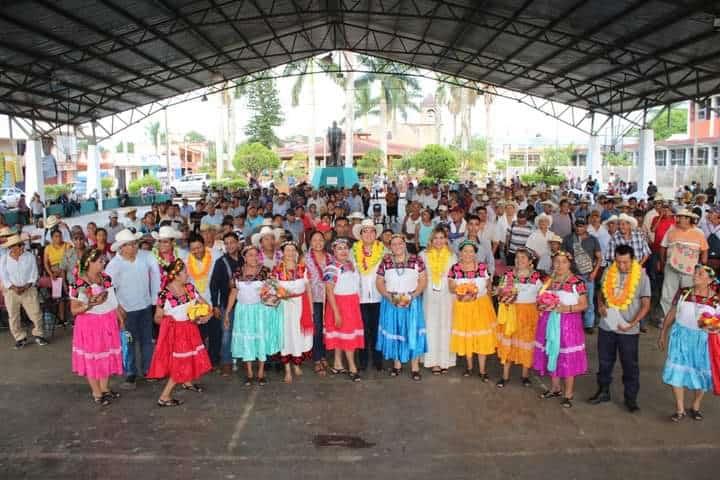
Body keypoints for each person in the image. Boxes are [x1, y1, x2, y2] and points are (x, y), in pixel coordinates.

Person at [591, 244, 650, 413]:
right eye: (618, 262)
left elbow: (646, 304)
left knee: (630, 364)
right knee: (604, 361)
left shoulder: (641, 277)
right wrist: (601, 305)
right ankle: (603, 391)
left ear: (633, 260)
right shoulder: (610, 272)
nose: (622, 266)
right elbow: (600, 293)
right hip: (607, 326)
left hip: (628, 329)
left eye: (625, 262)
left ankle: (630, 398)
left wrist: (634, 323)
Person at [147, 259, 213, 407]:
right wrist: (169, 321)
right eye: (184, 271)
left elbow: (205, 305)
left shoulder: (190, 288)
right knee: (180, 362)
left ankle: (187, 381)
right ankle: (164, 396)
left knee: (188, 357)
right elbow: (157, 318)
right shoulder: (165, 294)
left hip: (190, 329)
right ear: (175, 275)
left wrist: (204, 316)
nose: (187, 274)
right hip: (176, 333)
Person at [658, 264, 718, 422]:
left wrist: (713, 327)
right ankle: (680, 409)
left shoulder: (716, 298)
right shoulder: (684, 292)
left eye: (701, 273)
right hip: (680, 337)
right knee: (676, 372)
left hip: (703, 341)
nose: (695, 275)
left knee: (702, 374)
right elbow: (672, 313)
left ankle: (696, 406)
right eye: (696, 272)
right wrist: (663, 333)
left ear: (710, 279)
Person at [105, 229, 161, 389]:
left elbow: (156, 276)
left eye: (135, 243)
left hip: (144, 306)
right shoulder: (114, 265)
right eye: (130, 244)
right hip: (126, 310)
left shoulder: (145, 256)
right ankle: (130, 373)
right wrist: (117, 307)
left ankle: (149, 369)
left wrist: (156, 302)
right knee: (128, 342)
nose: (134, 247)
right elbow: (108, 289)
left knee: (146, 341)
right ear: (121, 248)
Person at [533, 251, 588, 409]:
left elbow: (584, 305)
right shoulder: (549, 281)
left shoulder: (577, 282)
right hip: (549, 321)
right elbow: (539, 301)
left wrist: (566, 308)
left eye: (563, 262)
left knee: (567, 357)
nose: (559, 265)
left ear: (569, 263)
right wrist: (542, 305)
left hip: (568, 325)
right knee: (552, 352)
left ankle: (568, 393)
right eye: (556, 262)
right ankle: (555, 388)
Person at [69, 248, 124, 406]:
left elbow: (113, 301)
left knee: (106, 354)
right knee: (93, 358)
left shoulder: (105, 278)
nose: (103, 263)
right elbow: (74, 310)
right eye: (100, 261)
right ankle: (96, 392)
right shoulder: (79, 283)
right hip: (90, 324)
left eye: (104, 261)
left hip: (108, 321)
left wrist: (119, 317)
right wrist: (91, 304)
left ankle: (105, 388)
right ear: (89, 263)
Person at [225, 245, 281, 386]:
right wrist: (227, 313)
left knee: (260, 340)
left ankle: (261, 372)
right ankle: (249, 373)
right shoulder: (237, 273)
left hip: (260, 311)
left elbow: (274, 290)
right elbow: (234, 293)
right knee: (246, 341)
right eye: (250, 255)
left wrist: (273, 300)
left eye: (256, 255)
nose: (254, 258)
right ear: (244, 257)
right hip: (243, 312)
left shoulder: (265, 271)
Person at [376, 234, 428, 381]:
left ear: (405, 244)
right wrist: (388, 296)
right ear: (390, 246)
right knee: (395, 331)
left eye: (400, 243)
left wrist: (413, 296)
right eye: (394, 244)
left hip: (412, 302)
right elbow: (379, 282)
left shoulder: (416, 260)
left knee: (412, 332)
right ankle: (397, 364)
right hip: (391, 302)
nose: (397, 246)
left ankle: (415, 367)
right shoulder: (386, 260)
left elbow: (423, 280)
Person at [495, 247, 543, 387]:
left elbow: (542, 295)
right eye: (517, 257)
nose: (519, 260)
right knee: (508, 342)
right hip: (511, 313)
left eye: (523, 258)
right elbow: (500, 291)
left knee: (526, 343)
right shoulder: (508, 274)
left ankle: (525, 375)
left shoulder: (536, 277)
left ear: (530, 261)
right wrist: (502, 295)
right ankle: (504, 376)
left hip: (529, 315)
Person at [448, 240, 496, 380]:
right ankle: (469, 367)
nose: (468, 254)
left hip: (481, 306)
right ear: (460, 254)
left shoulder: (482, 267)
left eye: (471, 251)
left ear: (475, 254)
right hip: (463, 306)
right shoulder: (455, 268)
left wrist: (491, 305)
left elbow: (488, 287)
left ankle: (482, 370)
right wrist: (461, 293)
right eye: (465, 251)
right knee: (467, 336)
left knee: (482, 337)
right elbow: (451, 286)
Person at [323, 238, 364, 381]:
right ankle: (352, 367)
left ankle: (337, 364)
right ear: (333, 251)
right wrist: (336, 313)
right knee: (347, 337)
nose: (343, 251)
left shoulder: (352, 265)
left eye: (345, 248)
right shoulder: (331, 268)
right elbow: (329, 291)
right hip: (339, 304)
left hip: (352, 304)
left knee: (343, 335)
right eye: (339, 248)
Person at [273, 241, 313, 383]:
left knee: (297, 334)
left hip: (300, 306)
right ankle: (287, 369)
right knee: (285, 335)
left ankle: (296, 363)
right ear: (282, 252)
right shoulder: (277, 270)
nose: (290, 253)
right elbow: (273, 290)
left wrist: (311, 308)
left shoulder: (302, 268)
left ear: (296, 252)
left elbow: (308, 289)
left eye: (292, 250)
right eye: (287, 250)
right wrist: (279, 295)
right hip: (284, 307)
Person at [0, 234, 48, 348]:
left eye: (22, 245)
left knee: (36, 313)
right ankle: (19, 337)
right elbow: (4, 276)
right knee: (13, 316)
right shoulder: (4, 259)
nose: (22, 247)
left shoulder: (29, 256)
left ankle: (39, 335)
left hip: (29, 289)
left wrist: (26, 286)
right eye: (19, 245)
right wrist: (13, 287)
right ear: (11, 247)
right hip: (11, 291)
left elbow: (34, 274)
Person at [659, 209, 708, 319]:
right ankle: (667, 318)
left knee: (688, 294)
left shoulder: (699, 232)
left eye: (681, 217)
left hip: (690, 270)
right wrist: (662, 263)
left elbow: (704, 250)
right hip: (671, 267)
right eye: (678, 216)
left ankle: (685, 318)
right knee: (668, 294)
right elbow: (663, 246)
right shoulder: (671, 230)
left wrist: (703, 265)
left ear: (688, 219)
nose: (678, 219)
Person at [420, 228, 456, 374]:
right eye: (436, 238)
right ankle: (432, 361)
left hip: (447, 295)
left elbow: (455, 278)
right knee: (431, 326)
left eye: (442, 238)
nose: (439, 241)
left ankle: (444, 360)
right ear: (431, 240)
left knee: (446, 326)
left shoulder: (452, 256)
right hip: (429, 295)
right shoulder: (423, 255)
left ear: (446, 239)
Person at [351, 219, 385, 372]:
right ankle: (363, 361)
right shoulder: (353, 252)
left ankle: (378, 360)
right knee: (363, 330)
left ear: (376, 234)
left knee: (378, 329)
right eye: (365, 231)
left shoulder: (385, 251)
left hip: (380, 296)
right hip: (361, 297)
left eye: (372, 231)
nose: (369, 234)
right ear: (360, 235)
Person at [185, 234, 222, 368]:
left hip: (214, 300)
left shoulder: (216, 256)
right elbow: (186, 283)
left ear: (204, 245)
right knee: (198, 334)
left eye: (199, 247)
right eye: (193, 249)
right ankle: (200, 361)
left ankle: (213, 360)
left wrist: (216, 305)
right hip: (197, 303)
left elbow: (219, 280)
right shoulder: (185, 260)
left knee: (215, 333)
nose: (197, 251)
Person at [209, 232, 243, 376]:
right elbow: (213, 285)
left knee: (242, 332)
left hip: (244, 303)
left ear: (238, 243)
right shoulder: (221, 262)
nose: (229, 246)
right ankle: (226, 362)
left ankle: (243, 359)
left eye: (232, 242)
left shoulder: (245, 259)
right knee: (226, 334)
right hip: (226, 303)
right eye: (226, 243)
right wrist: (215, 305)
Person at [562, 218, 602, 334]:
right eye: (577, 226)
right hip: (572, 275)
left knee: (589, 300)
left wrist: (594, 272)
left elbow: (599, 257)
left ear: (586, 227)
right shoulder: (568, 238)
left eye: (582, 226)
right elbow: (562, 254)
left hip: (588, 274)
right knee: (572, 300)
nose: (579, 228)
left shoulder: (593, 240)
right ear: (575, 226)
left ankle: (588, 324)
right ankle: (574, 323)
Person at [305, 230, 331, 376]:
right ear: (310, 242)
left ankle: (323, 355)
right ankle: (316, 359)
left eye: (320, 239)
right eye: (314, 240)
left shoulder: (330, 258)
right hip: (313, 299)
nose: (318, 243)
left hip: (328, 298)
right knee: (317, 328)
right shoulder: (305, 258)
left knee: (326, 328)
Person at [43, 227, 71, 326]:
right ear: (52, 238)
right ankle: (62, 318)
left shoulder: (67, 246)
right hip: (54, 272)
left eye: (60, 236)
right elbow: (46, 263)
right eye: (56, 236)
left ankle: (68, 317)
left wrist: (59, 271)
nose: (58, 238)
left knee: (68, 294)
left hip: (66, 270)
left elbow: (69, 260)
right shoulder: (48, 248)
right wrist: (51, 274)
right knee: (59, 296)